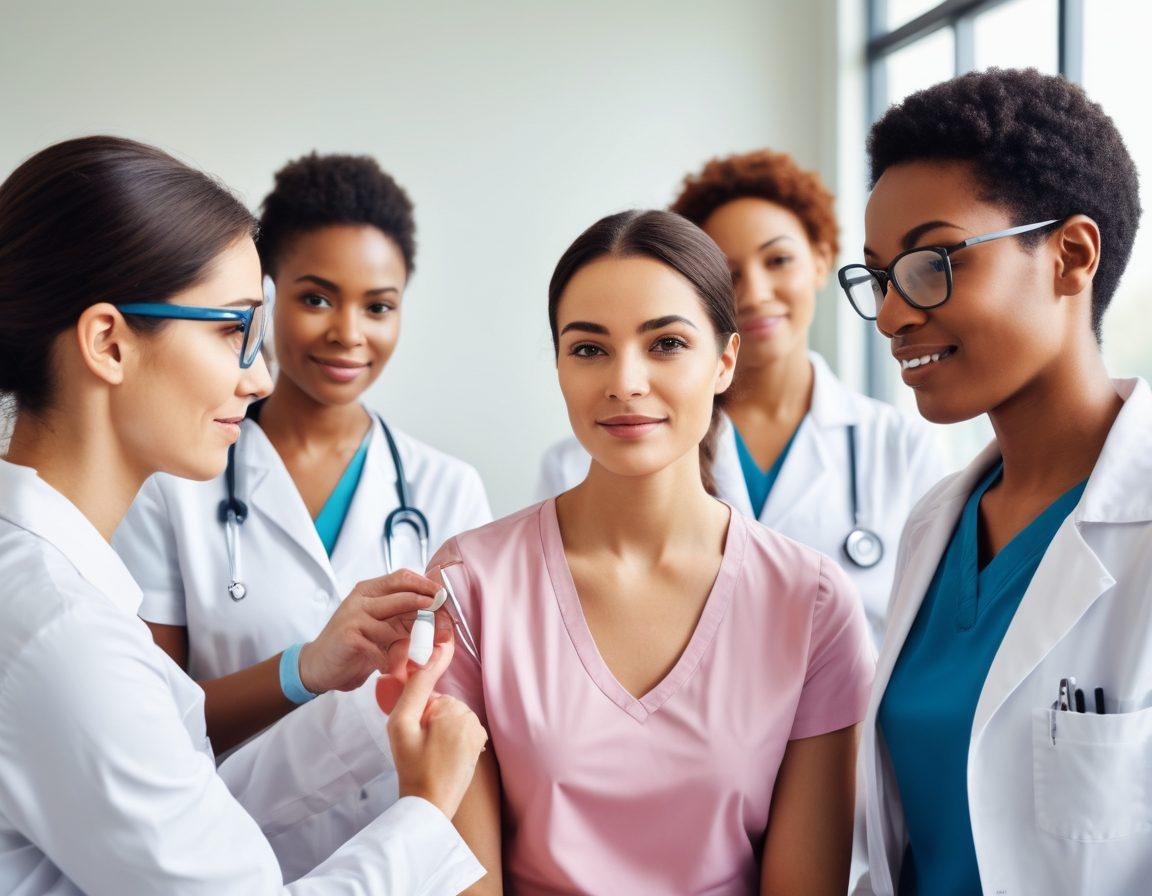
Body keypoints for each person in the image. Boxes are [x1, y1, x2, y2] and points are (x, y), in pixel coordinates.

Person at [0, 136, 488, 893]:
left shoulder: (52, 586)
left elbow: (182, 790)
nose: (259, 376)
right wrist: (426, 809)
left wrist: (340, 692)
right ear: (108, 343)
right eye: (233, 329)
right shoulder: (63, 634)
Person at [431, 210, 874, 894]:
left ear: (725, 360)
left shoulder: (810, 604)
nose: (625, 382)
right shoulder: (471, 585)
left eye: (665, 344)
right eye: (589, 349)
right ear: (558, 365)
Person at [843, 68, 1151, 895]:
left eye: (932, 262)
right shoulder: (935, 527)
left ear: (1070, 256)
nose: (893, 314)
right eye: (878, 277)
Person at [537, 151, 945, 645]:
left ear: (821, 258)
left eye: (778, 260)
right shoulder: (590, 458)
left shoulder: (901, 445)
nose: (753, 292)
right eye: (728, 274)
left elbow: (933, 635)